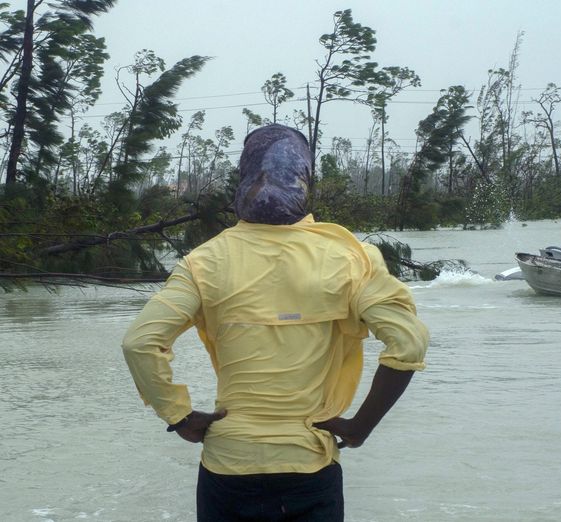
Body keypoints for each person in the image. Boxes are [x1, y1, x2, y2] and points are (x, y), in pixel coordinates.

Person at [122, 124, 429, 521]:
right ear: (303, 179)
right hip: (307, 464)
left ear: (245, 177)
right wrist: (359, 428)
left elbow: (139, 343)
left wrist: (178, 415)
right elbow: (409, 343)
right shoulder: (350, 257)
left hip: (228, 464)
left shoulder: (204, 261)